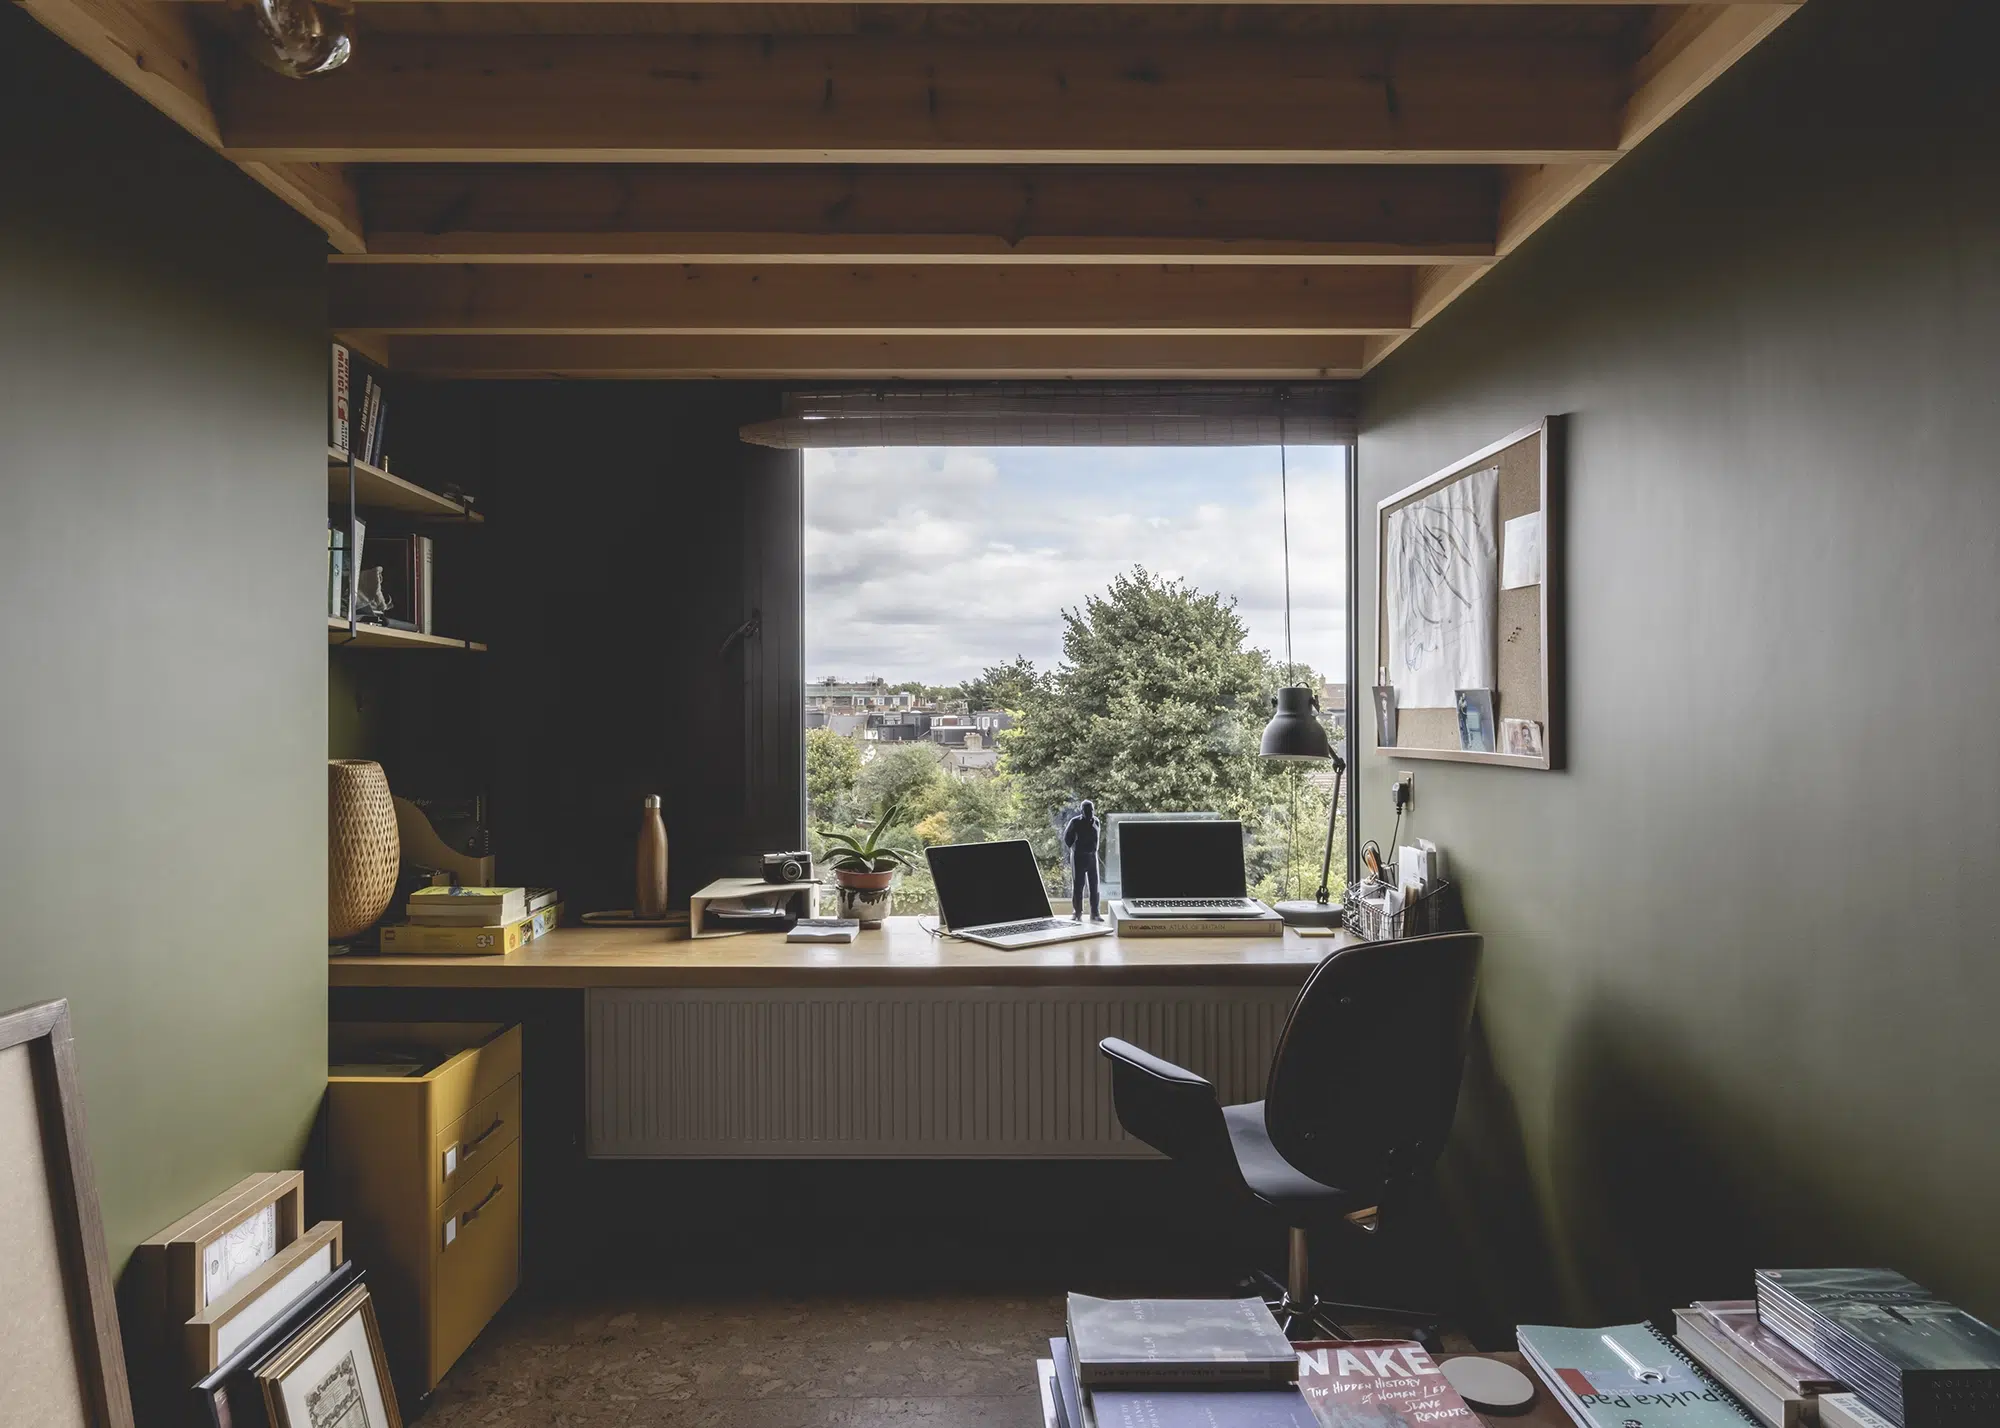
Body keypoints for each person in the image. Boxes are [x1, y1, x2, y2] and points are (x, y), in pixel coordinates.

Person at [1062, 800, 1101, 922]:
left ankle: (1095, 912)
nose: (1090, 813)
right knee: (1078, 885)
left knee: (1094, 886)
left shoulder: (1096, 822)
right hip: (1079, 857)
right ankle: (1077, 912)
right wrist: (1075, 847)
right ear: (1082, 811)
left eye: (1091, 810)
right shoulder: (1075, 822)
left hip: (1092, 857)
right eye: (1087, 811)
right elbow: (1067, 838)